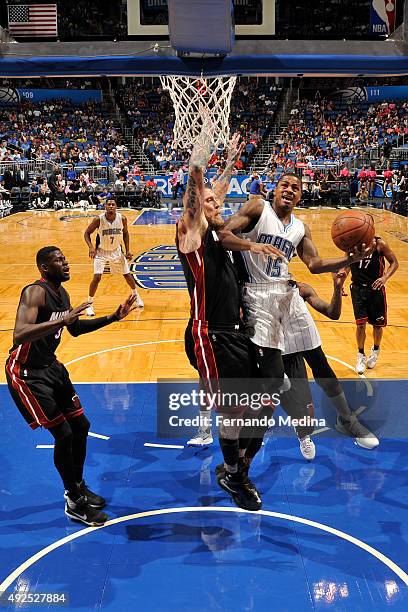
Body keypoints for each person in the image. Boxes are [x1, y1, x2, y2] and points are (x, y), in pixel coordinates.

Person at [220, 173, 376, 459]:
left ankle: (346, 419)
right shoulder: (258, 208)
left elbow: (315, 264)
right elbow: (224, 234)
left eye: (296, 187)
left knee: (319, 362)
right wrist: (252, 245)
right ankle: (246, 438)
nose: (290, 190)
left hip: (288, 294)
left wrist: (349, 260)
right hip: (256, 296)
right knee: (270, 377)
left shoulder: (300, 228)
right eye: (285, 185)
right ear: (274, 190)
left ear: (300, 196)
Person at [177, 128, 283, 511]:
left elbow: (212, 198)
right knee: (233, 408)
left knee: (267, 399)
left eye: (217, 200)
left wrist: (227, 163)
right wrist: (198, 166)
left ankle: (239, 466)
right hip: (211, 334)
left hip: (238, 332)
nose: (216, 202)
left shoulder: (218, 229)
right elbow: (197, 203)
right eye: (208, 201)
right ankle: (233, 474)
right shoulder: (190, 234)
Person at [5, 246, 137, 526]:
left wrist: (113, 317)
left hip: (50, 367)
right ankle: (74, 501)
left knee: (81, 426)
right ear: (43, 267)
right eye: (58, 260)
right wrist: (63, 319)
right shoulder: (34, 292)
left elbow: (74, 329)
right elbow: (19, 334)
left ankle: (77, 484)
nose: (66, 264)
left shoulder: (61, 293)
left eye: (65, 259)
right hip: (26, 373)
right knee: (64, 435)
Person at [84, 197, 144, 316]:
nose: (111, 206)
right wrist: (91, 247)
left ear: (116, 206)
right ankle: (89, 305)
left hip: (116, 251)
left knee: (127, 275)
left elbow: (126, 234)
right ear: (105, 207)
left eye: (113, 204)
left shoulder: (122, 219)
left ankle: (136, 296)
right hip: (101, 252)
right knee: (97, 277)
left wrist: (127, 250)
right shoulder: (98, 219)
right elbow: (86, 233)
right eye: (109, 204)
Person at [348, 235, 399, 374]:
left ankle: (375, 350)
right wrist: (341, 279)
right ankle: (360, 355)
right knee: (360, 325)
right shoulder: (351, 241)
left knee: (377, 326)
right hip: (358, 289)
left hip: (375, 290)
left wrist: (385, 277)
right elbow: (347, 262)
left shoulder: (379, 244)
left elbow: (394, 262)